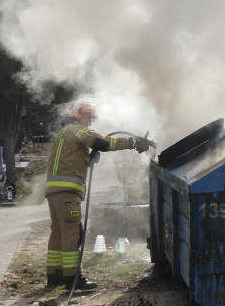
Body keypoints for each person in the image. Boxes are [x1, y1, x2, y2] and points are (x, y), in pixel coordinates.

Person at [44, 101, 150, 290]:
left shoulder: (63, 133)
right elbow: (103, 142)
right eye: (88, 117)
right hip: (68, 191)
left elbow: (68, 158)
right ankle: (73, 278)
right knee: (72, 234)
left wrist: (86, 158)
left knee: (58, 232)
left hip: (54, 191)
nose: (90, 122)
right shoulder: (78, 130)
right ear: (78, 116)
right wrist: (132, 142)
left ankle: (54, 275)